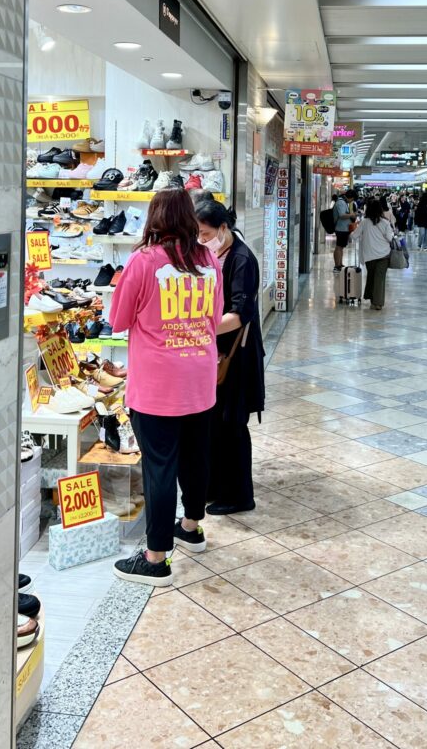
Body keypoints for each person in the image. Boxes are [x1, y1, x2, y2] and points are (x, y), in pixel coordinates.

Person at [110, 187, 224, 586]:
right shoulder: (209, 260)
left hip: (157, 384)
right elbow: (214, 318)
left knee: (159, 468)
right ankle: (191, 527)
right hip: (200, 377)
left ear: (155, 218)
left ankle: (155, 558)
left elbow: (118, 320)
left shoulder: (144, 261)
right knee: (195, 458)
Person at [194, 197, 265, 515]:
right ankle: (214, 486)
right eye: (197, 234)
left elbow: (241, 313)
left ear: (223, 228)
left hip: (237, 356)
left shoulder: (242, 259)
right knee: (213, 424)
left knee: (232, 424)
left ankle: (239, 495)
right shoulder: (211, 254)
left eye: (206, 234)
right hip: (214, 353)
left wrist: (201, 328)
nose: (201, 240)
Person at [361, 198, 394, 311]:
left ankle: (372, 300)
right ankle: (378, 303)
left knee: (371, 276)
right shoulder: (385, 223)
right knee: (379, 278)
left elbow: (354, 235)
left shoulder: (364, 222)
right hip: (383, 255)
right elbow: (390, 238)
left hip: (369, 256)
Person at [332, 188, 357, 272]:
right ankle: (337, 266)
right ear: (350, 197)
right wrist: (352, 215)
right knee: (339, 247)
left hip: (344, 228)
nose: (351, 201)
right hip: (341, 228)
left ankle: (340, 264)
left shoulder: (343, 202)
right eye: (352, 199)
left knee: (341, 247)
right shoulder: (341, 202)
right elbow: (342, 215)